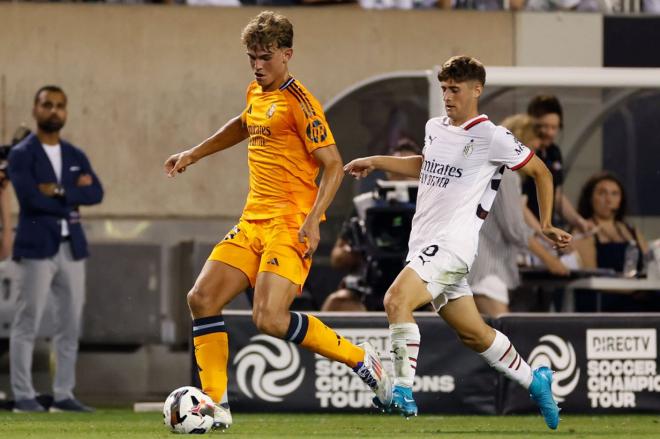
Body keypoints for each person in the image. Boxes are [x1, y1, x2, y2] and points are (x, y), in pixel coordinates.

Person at [163, 11, 390, 430]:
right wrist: (193, 153)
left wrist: (314, 220)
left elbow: (334, 165)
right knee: (201, 299)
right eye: (252, 57)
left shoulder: (301, 103)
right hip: (253, 221)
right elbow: (244, 124)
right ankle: (215, 405)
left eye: (265, 57)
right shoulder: (256, 91)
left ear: (287, 54)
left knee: (268, 319)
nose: (257, 65)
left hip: (289, 224)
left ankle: (361, 359)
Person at [344, 56, 572, 430]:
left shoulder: (492, 136)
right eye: (444, 89)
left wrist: (545, 223)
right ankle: (536, 380)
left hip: (453, 244)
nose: (448, 96)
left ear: (476, 90)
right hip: (424, 242)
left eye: (455, 89)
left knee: (395, 300)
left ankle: (401, 389)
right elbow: (425, 164)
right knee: (473, 333)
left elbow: (540, 171)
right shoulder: (435, 127)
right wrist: (377, 161)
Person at [8, 85, 104, 413]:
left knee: (69, 325)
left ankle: (63, 395)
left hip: (72, 247)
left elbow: (97, 194)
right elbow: (30, 199)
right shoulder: (22, 154)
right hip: (36, 247)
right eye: (47, 105)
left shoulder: (75, 155)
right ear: (35, 110)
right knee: (27, 321)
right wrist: (71, 197)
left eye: (60, 106)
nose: (54, 111)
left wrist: (58, 191)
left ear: (66, 112)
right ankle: (24, 395)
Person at [468, 114, 569, 317]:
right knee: (503, 339)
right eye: (533, 147)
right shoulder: (506, 174)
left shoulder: (485, 168)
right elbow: (515, 229)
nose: (535, 155)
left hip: (469, 267)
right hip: (486, 272)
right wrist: (550, 260)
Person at [322, 139, 421, 312]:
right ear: (388, 171)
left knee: (446, 307)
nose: (402, 177)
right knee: (338, 303)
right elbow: (337, 257)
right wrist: (358, 249)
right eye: (397, 171)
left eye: (407, 172)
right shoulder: (365, 206)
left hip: (417, 284)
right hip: (370, 284)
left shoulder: (431, 206)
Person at [572, 172, 655, 311]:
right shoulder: (583, 231)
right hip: (604, 300)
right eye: (602, 193)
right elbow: (590, 275)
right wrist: (632, 289)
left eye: (614, 194)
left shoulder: (631, 231)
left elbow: (650, 264)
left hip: (639, 296)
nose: (608, 199)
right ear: (591, 198)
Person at [524, 94, 592, 234]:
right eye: (542, 127)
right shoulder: (520, 153)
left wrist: (578, 221)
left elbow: (555, 195)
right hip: (526, 234)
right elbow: (518, 203)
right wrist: (543, 233)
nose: (548, 133)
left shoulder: (553, 152)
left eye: (553, 128)